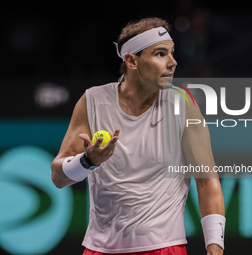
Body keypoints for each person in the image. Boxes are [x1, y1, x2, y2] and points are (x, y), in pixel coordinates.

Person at [51, 17, 225, 255]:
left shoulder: (183, 104)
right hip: (99, 249)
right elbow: (58, 177)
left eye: (172, 53)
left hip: (164, 248)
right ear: (131, 60)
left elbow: (207, 181)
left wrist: (215, 249)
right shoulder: (92, 100)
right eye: (160, 54)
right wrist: (87, 161)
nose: (172, 62)